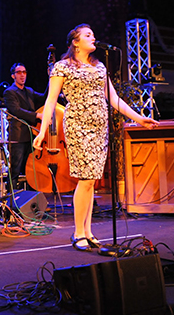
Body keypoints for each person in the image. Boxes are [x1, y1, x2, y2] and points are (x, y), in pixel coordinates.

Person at [33, 24, 159, 252]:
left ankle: (88, 231)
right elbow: (51, 101)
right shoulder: (63, 67)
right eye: (88, 35)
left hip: (100, 127)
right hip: (78, 125)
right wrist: (43, 131)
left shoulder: (99, 67)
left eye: (93, 34)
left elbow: (114, 99)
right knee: (85, 178)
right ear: (75, 42)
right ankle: (78, 233)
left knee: (91, 181)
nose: (94, 38)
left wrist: (139, 119)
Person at [3, 63, 45, 191]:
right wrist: (37, 115)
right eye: (19, 72)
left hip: (32, 134)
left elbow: (44, 98)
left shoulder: (29, 91)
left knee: (32, 169)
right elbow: (16, 110)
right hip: (18, 136)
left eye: (24, 72)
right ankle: (10, 201)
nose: (22, 75)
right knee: (15, 169)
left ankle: (33, 201)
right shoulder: (9, 92)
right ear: (13, 76)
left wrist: (51, 78)